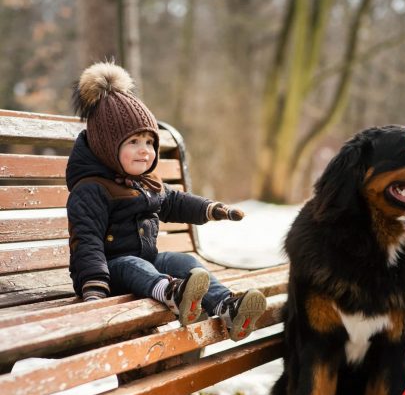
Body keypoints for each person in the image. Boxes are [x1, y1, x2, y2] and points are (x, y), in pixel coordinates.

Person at [66, 62, 266, 341]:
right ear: (107, 147)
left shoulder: (145, 183)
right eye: (134, 141)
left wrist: (212, 209)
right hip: (107, 273)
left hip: (147, 261)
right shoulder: (91, 189)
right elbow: (86, 240)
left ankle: (226, 306)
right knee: (134, 265)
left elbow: (175, 201)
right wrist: (93, 288)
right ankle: (173, 293)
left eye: (150, 142)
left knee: (183, 260)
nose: (145, 151)